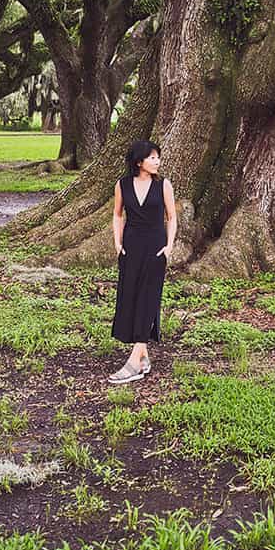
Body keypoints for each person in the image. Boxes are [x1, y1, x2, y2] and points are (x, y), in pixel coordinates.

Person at [109, 140, 176, 384]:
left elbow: (172, 217)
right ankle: (144, 357)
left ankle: (134, 361)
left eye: (158, 157)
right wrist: (118, 243)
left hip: (156, 247)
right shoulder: (122, 185)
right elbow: (117, 215)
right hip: (131, 247)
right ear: (139, 162)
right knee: (132, 296)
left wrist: (169, 246)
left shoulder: (164, 185)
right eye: (152, 158)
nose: (157, 161)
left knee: (149, 297)